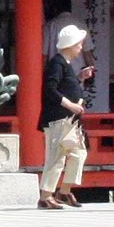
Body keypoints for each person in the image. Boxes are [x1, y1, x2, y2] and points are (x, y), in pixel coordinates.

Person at [37, 24, 92, 209]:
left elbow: (65, 85)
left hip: (70, 120)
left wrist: (80, 79)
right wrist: (70, 105)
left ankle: (65, 190)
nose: (80, 47)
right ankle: (46, 195)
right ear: (71, 45)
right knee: (56, 156)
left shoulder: (65, 65)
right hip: (58, 118)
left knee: (78, 153)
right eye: (79, 44)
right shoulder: (57, 63)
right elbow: (50, 89)